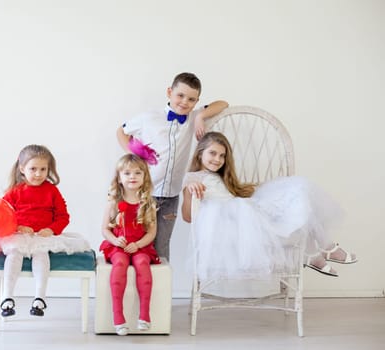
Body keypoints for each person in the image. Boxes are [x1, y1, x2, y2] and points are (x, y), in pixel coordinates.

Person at [181, 131, 357, 281]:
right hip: (233, 226)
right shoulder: (192, 178)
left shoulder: (221, 177)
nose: (218, 159)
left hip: (246, 216)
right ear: (200, 154)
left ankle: (318, 251)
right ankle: (320, 252)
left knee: (300, 193)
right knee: (292, 214)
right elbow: (188, 217)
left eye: (222, 156)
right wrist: (189, 192)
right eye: (213, 153)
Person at [116, 72, 229, 260]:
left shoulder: (193, 117)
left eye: (191, 99)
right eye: (180, 95)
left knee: (161, 246)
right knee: (137, 245)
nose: (185, 102)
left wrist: (201, 116)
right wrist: (136, 153)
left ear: (197, 101)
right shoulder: (149, 117)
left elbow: (223, 104)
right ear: (169, 92)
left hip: (170, 197)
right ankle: (136, 288)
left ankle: (159, 288)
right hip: (145, 194)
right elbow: (121, 131)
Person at [0, 144, 90, 318]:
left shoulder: (51, 191)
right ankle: (7, 297)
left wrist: (51, 229)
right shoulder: (14, 192)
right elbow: (2, 215)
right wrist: (17, 227)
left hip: (42, 236)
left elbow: (63, 216)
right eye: (33, 169)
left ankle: (40, 298)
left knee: (41, 254)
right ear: (22, 169)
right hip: (19, 235)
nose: (38, 174)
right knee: (14, 253)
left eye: (43, 169)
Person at [100, 154, 160, 336]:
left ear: (144, 177)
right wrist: (115, 240)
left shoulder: (148, 203)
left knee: (142, 264)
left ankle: (144, 315)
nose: (132, 176)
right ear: (119, 178)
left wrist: (138, 244)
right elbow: (105, 229)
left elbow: (151, 232)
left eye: (137, 173)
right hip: (119, 246)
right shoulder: (114, 203)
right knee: (120, 264)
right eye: (127, 173)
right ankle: (118, 317)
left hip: (140, 246)